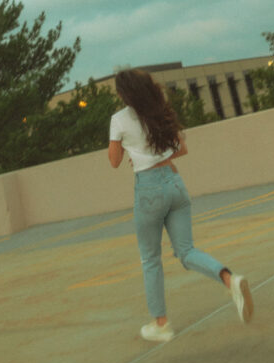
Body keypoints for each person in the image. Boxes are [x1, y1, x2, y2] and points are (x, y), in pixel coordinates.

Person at [108, 68, 254, 342]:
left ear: (123, 94)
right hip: (174, 183)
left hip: (149, 190)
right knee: (186, 251)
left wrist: (131, 150)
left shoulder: (119, 119)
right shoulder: (158, 110)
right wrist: (152, 154)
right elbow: (181, 149)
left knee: (151, 259)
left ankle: (161, 325)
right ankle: (228, 278)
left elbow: (114, 161)